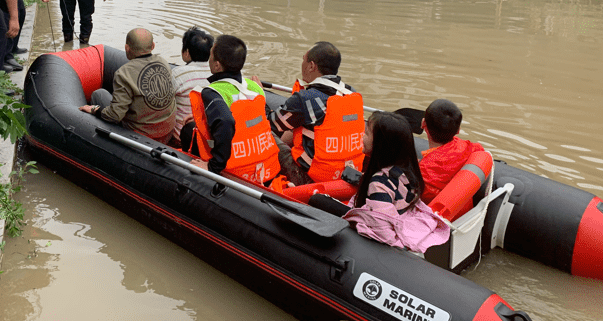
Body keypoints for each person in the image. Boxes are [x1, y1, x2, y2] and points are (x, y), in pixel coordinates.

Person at [312, 112, 450, 252]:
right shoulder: (407, 169)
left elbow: (383, 231)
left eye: (366, 134)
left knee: (317, 200)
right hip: (397, 212)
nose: (361, 136)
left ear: (380, 143)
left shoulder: (379, 184)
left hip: (383, 221)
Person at [181, 35, 283, 188]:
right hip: (266, 168)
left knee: (188, 131)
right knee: (194, 125)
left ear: (216, 66)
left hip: (237, 169)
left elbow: (226, 121)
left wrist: (212, 167)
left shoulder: (213, 92)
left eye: (211, 55)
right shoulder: (255, 88)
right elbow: (247, 120)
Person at [262, 42, 364, 186]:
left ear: (311, 66)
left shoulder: (305, 99)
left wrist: (259, 96)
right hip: (347, 174)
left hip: (309, 177)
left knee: (260, 131)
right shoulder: (351, 92)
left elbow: (269, 123)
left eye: (303, 59)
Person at [80, 28, 176, 143]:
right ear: (153, 46)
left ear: (127, 48)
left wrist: (94, 110)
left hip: (142, 135)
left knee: (99, 94)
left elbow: (114, 116)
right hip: (167, 131)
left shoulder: (124, 73)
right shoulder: (164, 62)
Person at [419, 99, 486, 205]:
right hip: (464, 215)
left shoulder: (422, 174)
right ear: (458, 130)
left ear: (423, 124)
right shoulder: (472, 149)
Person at [171, 26, 214, 145]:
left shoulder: (178, 74)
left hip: (182, 138)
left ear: (186, 53)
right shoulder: (218, 73)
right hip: (211, 139)